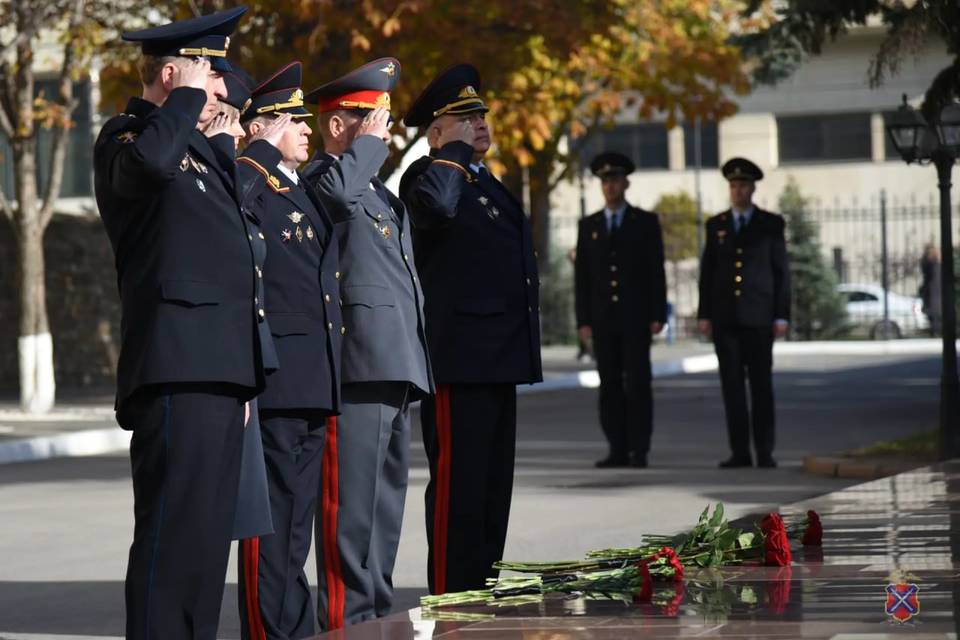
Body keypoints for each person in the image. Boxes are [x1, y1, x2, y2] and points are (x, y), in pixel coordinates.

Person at [92, 7, 276, 638]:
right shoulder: (126, 138)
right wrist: (185, 100)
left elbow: (240, 252)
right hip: (177, 365)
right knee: (172, 539)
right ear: (170, 75)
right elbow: (148, 167)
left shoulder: (195, 150)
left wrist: (248, 368)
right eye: (208, 73)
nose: (221, 89)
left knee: (204, 548)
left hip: (221, 369)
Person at [400, 63, 543, 594]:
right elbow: (436, 207)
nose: (479, 123)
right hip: (458, 362)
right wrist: (451, 152)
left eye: (481, 113)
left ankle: (483, 595)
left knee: (489, 494)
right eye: (463, 117)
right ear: (436, 132)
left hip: (498, 359)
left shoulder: (486, 182)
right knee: (458, 494)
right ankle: (451, 600)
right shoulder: (428, 176)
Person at [302, 57, 433, 629]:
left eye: (384, 119)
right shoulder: (326, 178)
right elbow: (334, 198)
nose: (384, 128)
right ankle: (346, 621)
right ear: (338, 126)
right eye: (370, 117)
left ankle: (376, 613)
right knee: (348, 513)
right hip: (355, 364)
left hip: (393, 360)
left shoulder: (373, 189)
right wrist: (369, 149)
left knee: (383, 510)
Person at [232, 61, 343, 640]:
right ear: (266, 125)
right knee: (270, 516)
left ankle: (292, 624)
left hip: (313, 374)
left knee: (297, 519)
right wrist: (257, 151)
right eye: (294, 120)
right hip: (277, 375)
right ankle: (266, 625)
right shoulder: (250, 177)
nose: (307, 129)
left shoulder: (295, 185)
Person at [574, 152, 667, 469]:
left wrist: (658, 313)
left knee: (638, 384)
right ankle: (617, 447)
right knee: (610, 385)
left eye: (614, 180)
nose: (610, 186)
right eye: (604, 181)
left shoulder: (644, 222)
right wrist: (583, 320)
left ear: (625, 182)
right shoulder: (590, 226)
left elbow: (656, 270)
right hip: (603, 319)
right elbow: (582, 278)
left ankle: (639, 449)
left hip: (636, 317)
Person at [698, 157, 790, 469]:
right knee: (732, 388)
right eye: (734, 185)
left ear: (752, 188)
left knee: (761, 386)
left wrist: (781, 314)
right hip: (726, 319)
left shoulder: (770, 224)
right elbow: (707, 272)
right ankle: (740, 451)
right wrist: (705, 314)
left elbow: (781, 273)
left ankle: (764, 451)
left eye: (743, 185)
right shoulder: (717, 225)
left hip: (759, 317)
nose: (738, 190)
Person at [920, 243, 942, 336]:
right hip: (934, 289)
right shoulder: (932, 263)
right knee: (934, 311)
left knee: (933, 311)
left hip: (932, 289)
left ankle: (935, 330)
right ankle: (936, 330)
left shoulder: (928, 262)